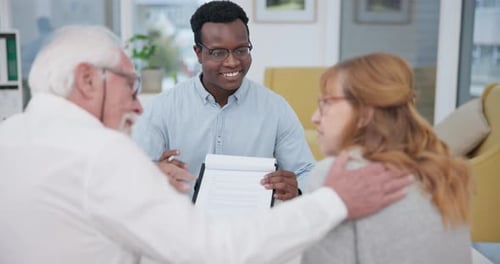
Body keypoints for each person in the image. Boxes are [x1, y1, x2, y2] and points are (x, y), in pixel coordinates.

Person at [0, 25, 412, 264]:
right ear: (89, 79)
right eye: (131, 85)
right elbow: (213, 251)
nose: (138, 106)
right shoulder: (100, 152)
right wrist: (335, 202)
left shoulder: (10, 135)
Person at [132, 0, 314, 199]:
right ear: (198, 53)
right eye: (218, 52)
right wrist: (154, 173)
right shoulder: (162, 108)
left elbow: (305, 171)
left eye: (241, 50)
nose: (232, 62)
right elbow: (133, 175)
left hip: (255, 225)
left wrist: (297, 189)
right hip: (184, 224)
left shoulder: (276, 108)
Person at [301, 52, 472, 263]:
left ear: (364, 112)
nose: (315, 118)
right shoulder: (443, 170)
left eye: (326, 103)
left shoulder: (336, 174)